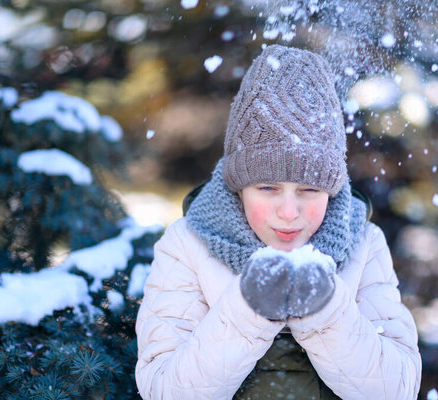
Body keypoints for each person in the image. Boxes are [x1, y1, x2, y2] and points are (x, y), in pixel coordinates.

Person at [135, 44, 421, 399]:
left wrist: (325, 310)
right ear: (239, 187)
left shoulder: (363, 244)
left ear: (330, 191)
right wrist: (249, 308)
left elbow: (396, 390)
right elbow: (165, 391)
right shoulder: (187, 245)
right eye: (267, 187)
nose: (289, 211)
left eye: (309, 189)